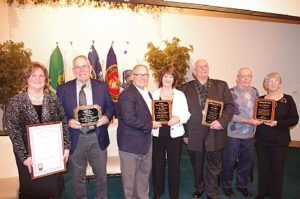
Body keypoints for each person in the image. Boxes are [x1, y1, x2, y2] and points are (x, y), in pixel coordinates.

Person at [6, 62, 70, 199]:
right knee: (33, 193)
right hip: (29, 159)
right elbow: (13, 131)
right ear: (27, 78)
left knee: (52, 192)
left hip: (52, 156)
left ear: (46, 80)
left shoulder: (53, 99)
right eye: (33, 75)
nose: (37, 78)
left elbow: (63, 122)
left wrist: (66, 146)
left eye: (41, 75)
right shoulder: (16, 102)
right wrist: (24, 157)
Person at [57, 55, 114, 199]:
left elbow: (110, 107)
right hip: (76, 139)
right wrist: (68, 121)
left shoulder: (101, 86)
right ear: (73, 70)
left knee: (101, 176)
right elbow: (58, 113)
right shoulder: (63, 89)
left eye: (84, 66)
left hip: (97, 137)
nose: (81, 70)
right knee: (77, 178)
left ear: (90, 68)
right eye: (77, 67)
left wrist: (106, 117)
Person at [180, 59, 234, 199]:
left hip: (215, 131)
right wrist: (185, 133)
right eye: (200, 67)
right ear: (194, 72)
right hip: (194, 133)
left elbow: (230, 106)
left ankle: (212, 192)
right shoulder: (185, 88)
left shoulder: (221, 85)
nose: (204, 69)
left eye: (206, 66)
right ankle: (199, 188)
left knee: (214, 165)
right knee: (197, 164)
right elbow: (181, 112)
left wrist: (221, 121)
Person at [117, 64, 161, 199]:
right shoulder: (127, 94)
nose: (142, 78)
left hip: (146, 143)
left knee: (143, 177)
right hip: (130, 145)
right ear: (132, 77)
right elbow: (130, 119)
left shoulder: (147, 92)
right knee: (130, 182)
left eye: (145, 75)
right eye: (139, 75)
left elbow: (149, 114)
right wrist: (151, 124)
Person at [255, 72, 299, 199]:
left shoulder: (288, 99)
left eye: (275, 80)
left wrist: (277, 123)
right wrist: (257, 121)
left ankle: (275, 195)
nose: (272, 83)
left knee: (277, 169)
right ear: (266, 84)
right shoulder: (261, 100)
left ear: (280, 83)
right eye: (269, 81)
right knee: (263, 168)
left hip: (279, 142)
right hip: (262, 140)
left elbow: (294, 119)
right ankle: (262, 192)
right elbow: (257, 118)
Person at [220, 67, 262, 197]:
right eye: (243, 76)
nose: (246, 79)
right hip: (233, 134)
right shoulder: (230, 92)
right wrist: (248, 120)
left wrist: (260, 119)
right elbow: (227, 114)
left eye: (248, 76)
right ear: (237, 78)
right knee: (229, 161)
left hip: (249, 135)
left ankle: (242, 185)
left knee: (246, 162)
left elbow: (259, 111)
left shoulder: (255, 91)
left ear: (251, 78)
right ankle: (226, 185)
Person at [151, 66, 191, 199]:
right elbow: (149, 114)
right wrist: (152, 121)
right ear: (161, 78)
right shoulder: (154, 94)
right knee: (158, 164)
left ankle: (174, 194)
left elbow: (187, 114)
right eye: (165, 76)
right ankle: (158, 191)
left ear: (174, 79)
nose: (168, 79)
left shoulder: (180, 95)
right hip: (158, 134)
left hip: (175, 135)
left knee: (174, 165)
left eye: (171, 76)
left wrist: (178, 118)